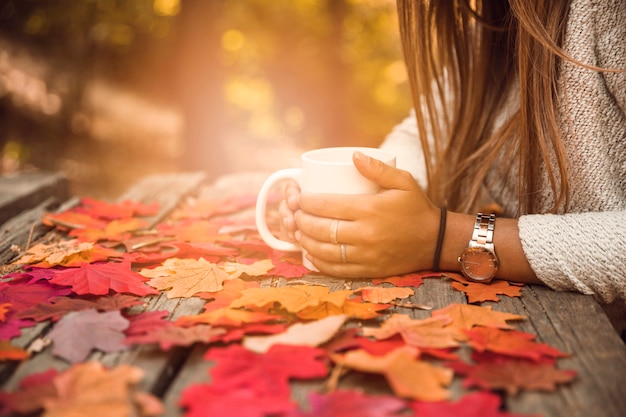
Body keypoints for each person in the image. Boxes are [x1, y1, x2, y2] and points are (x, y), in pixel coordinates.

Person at [278, 0, 626, 317]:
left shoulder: (607, 12)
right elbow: (423, 133)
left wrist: (444, 238)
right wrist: (367, 207)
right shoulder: (492, 28)